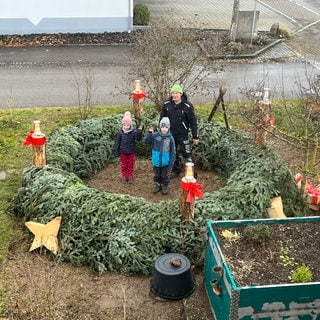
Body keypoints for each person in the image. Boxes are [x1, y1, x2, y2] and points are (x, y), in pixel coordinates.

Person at [160, 84, 199, 179]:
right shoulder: (166, 105)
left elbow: (193, 122)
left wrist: (195, 136)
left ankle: (191, 172)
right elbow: (161, 120)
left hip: (182, 135)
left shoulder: (187, 106)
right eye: (173, 93)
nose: (175, 95)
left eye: (177, 93)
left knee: (187, 153)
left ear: (181, 94)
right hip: (170, 134)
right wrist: (161, 132)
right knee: (172, 153)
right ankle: (175, 170)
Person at [144, 117, 176, 195]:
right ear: (159, 127)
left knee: (165, 176)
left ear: (169, 127)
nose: (164, 129)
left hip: (166, 162)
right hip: (156, 161)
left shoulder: (170, 139)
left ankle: (164, 186)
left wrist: (171, 163)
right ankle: (157, 185)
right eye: (162, 127)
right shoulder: (155, 136)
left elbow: (173, 152)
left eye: (166, 127)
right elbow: (146, 142)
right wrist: (149, 133)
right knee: (157, 175)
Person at [114, 111, 142, 183]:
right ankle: (124, 175)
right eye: (124, 125)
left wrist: (139, 132)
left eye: (127, 125)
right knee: (124, 165)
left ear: (130, 125)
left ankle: (129, 175)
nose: (126, 127)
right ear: (122, 125)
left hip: (131, 152)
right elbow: (117, 142)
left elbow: (138, 139)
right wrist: (116, 151)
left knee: (130, 164)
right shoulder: (120, 132)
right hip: (123, 152)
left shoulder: (134, 132)